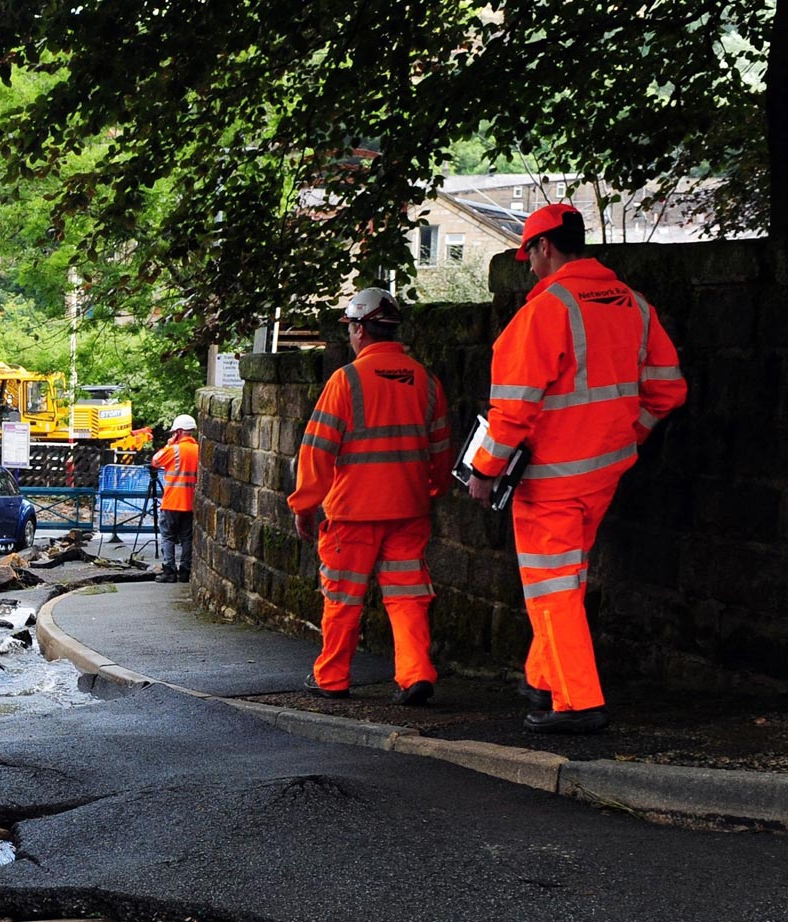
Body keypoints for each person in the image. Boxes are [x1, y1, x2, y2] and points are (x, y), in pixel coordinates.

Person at [464, 204, 686, 734]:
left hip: (550, 480)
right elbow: (668, 388)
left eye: (531, 256)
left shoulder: (545, 311)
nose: (531, 267)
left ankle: (578, 701)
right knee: (567, 580)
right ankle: (542, 679)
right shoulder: (633, 304)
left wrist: (485, 468)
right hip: (604, 471)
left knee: (552, 588)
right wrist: (629, 434)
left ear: (544, 248)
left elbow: (514, 407)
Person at [289, 288, 452, 706]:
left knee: (343, 597)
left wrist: (305, 505)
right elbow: (440, 452)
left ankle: (333, 678)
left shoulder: (346, 381)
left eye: (351, 329)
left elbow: (318, 450)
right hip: (408, 510)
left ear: (361, 330)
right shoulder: (426, 381)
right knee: (407, 595)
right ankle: (415, 673)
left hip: (354, 512)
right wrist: (430, 492)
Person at [151, 414, 199, 581]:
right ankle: (185, 571)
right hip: (191, 503)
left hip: (172, 501)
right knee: (187, 538)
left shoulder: (173, 450)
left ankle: (169, 571)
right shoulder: (198, 450)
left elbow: (155, 461)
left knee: (168, 537)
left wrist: (169, 444)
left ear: (178, 432)